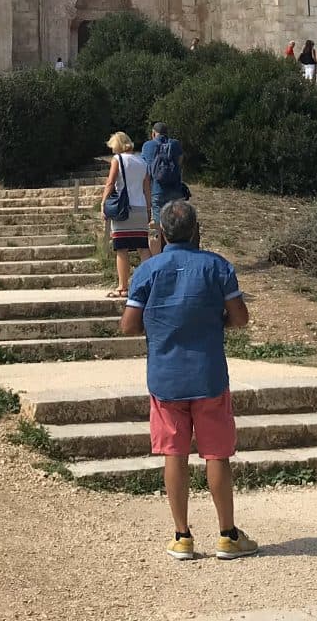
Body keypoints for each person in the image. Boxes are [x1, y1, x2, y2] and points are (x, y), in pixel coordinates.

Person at [120, 200, 258, 560]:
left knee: (174, 454)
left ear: (162, 234)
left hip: (165, 377)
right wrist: (216, 323)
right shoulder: (218, 267)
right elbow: (240, 318)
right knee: (216, 454)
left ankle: (182, 536)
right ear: (197, 230)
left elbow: (129, 324)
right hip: (209, 374)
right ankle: (227, 534)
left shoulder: (148, 271)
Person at [100, 131, 152, 298]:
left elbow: (110, 183)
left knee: (121, 248)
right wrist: (148, 209)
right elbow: (147, 188)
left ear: (117, 146)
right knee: (143, 248)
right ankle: (150, 284)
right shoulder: (142, 161)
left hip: (124, 210)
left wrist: (103, 203)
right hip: (141, 208)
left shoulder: (118, 160)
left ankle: (123, 287)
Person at [140, 120, 191, 256]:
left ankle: (157, 258)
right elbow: (180, 163)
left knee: (157, 227)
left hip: (157, 190)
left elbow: (144, 169)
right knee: (176, 224)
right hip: (175, 190)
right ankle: (178, 255)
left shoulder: (148, 146)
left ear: (153, 133)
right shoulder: (175, 144)